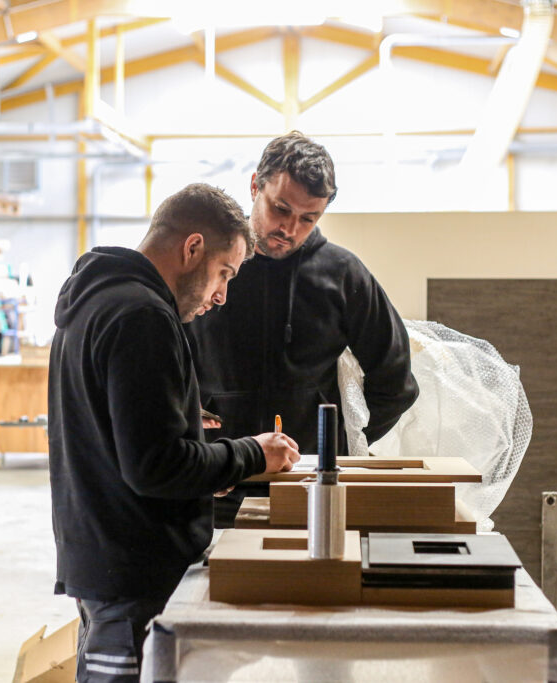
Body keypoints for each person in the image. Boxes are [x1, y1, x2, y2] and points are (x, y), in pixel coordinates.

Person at [48, 183, 301, 682]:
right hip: (134, 578)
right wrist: (252, 454)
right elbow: (155, 467)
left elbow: (119, 444)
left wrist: (196, 452)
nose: (222, 295)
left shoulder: (95, 302)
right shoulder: (144, 317)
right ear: (193, 248)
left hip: (104, 563)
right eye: (224, 273)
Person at [185, 131, 419, 526]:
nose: (290, 229)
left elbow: (396, 384)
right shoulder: (208, 265)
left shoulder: (343, 274)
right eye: (281, 209)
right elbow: (168, 365)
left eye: (308, 218)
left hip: (308, 485)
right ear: (255, 185)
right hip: (215, 480)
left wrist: (337, 442)